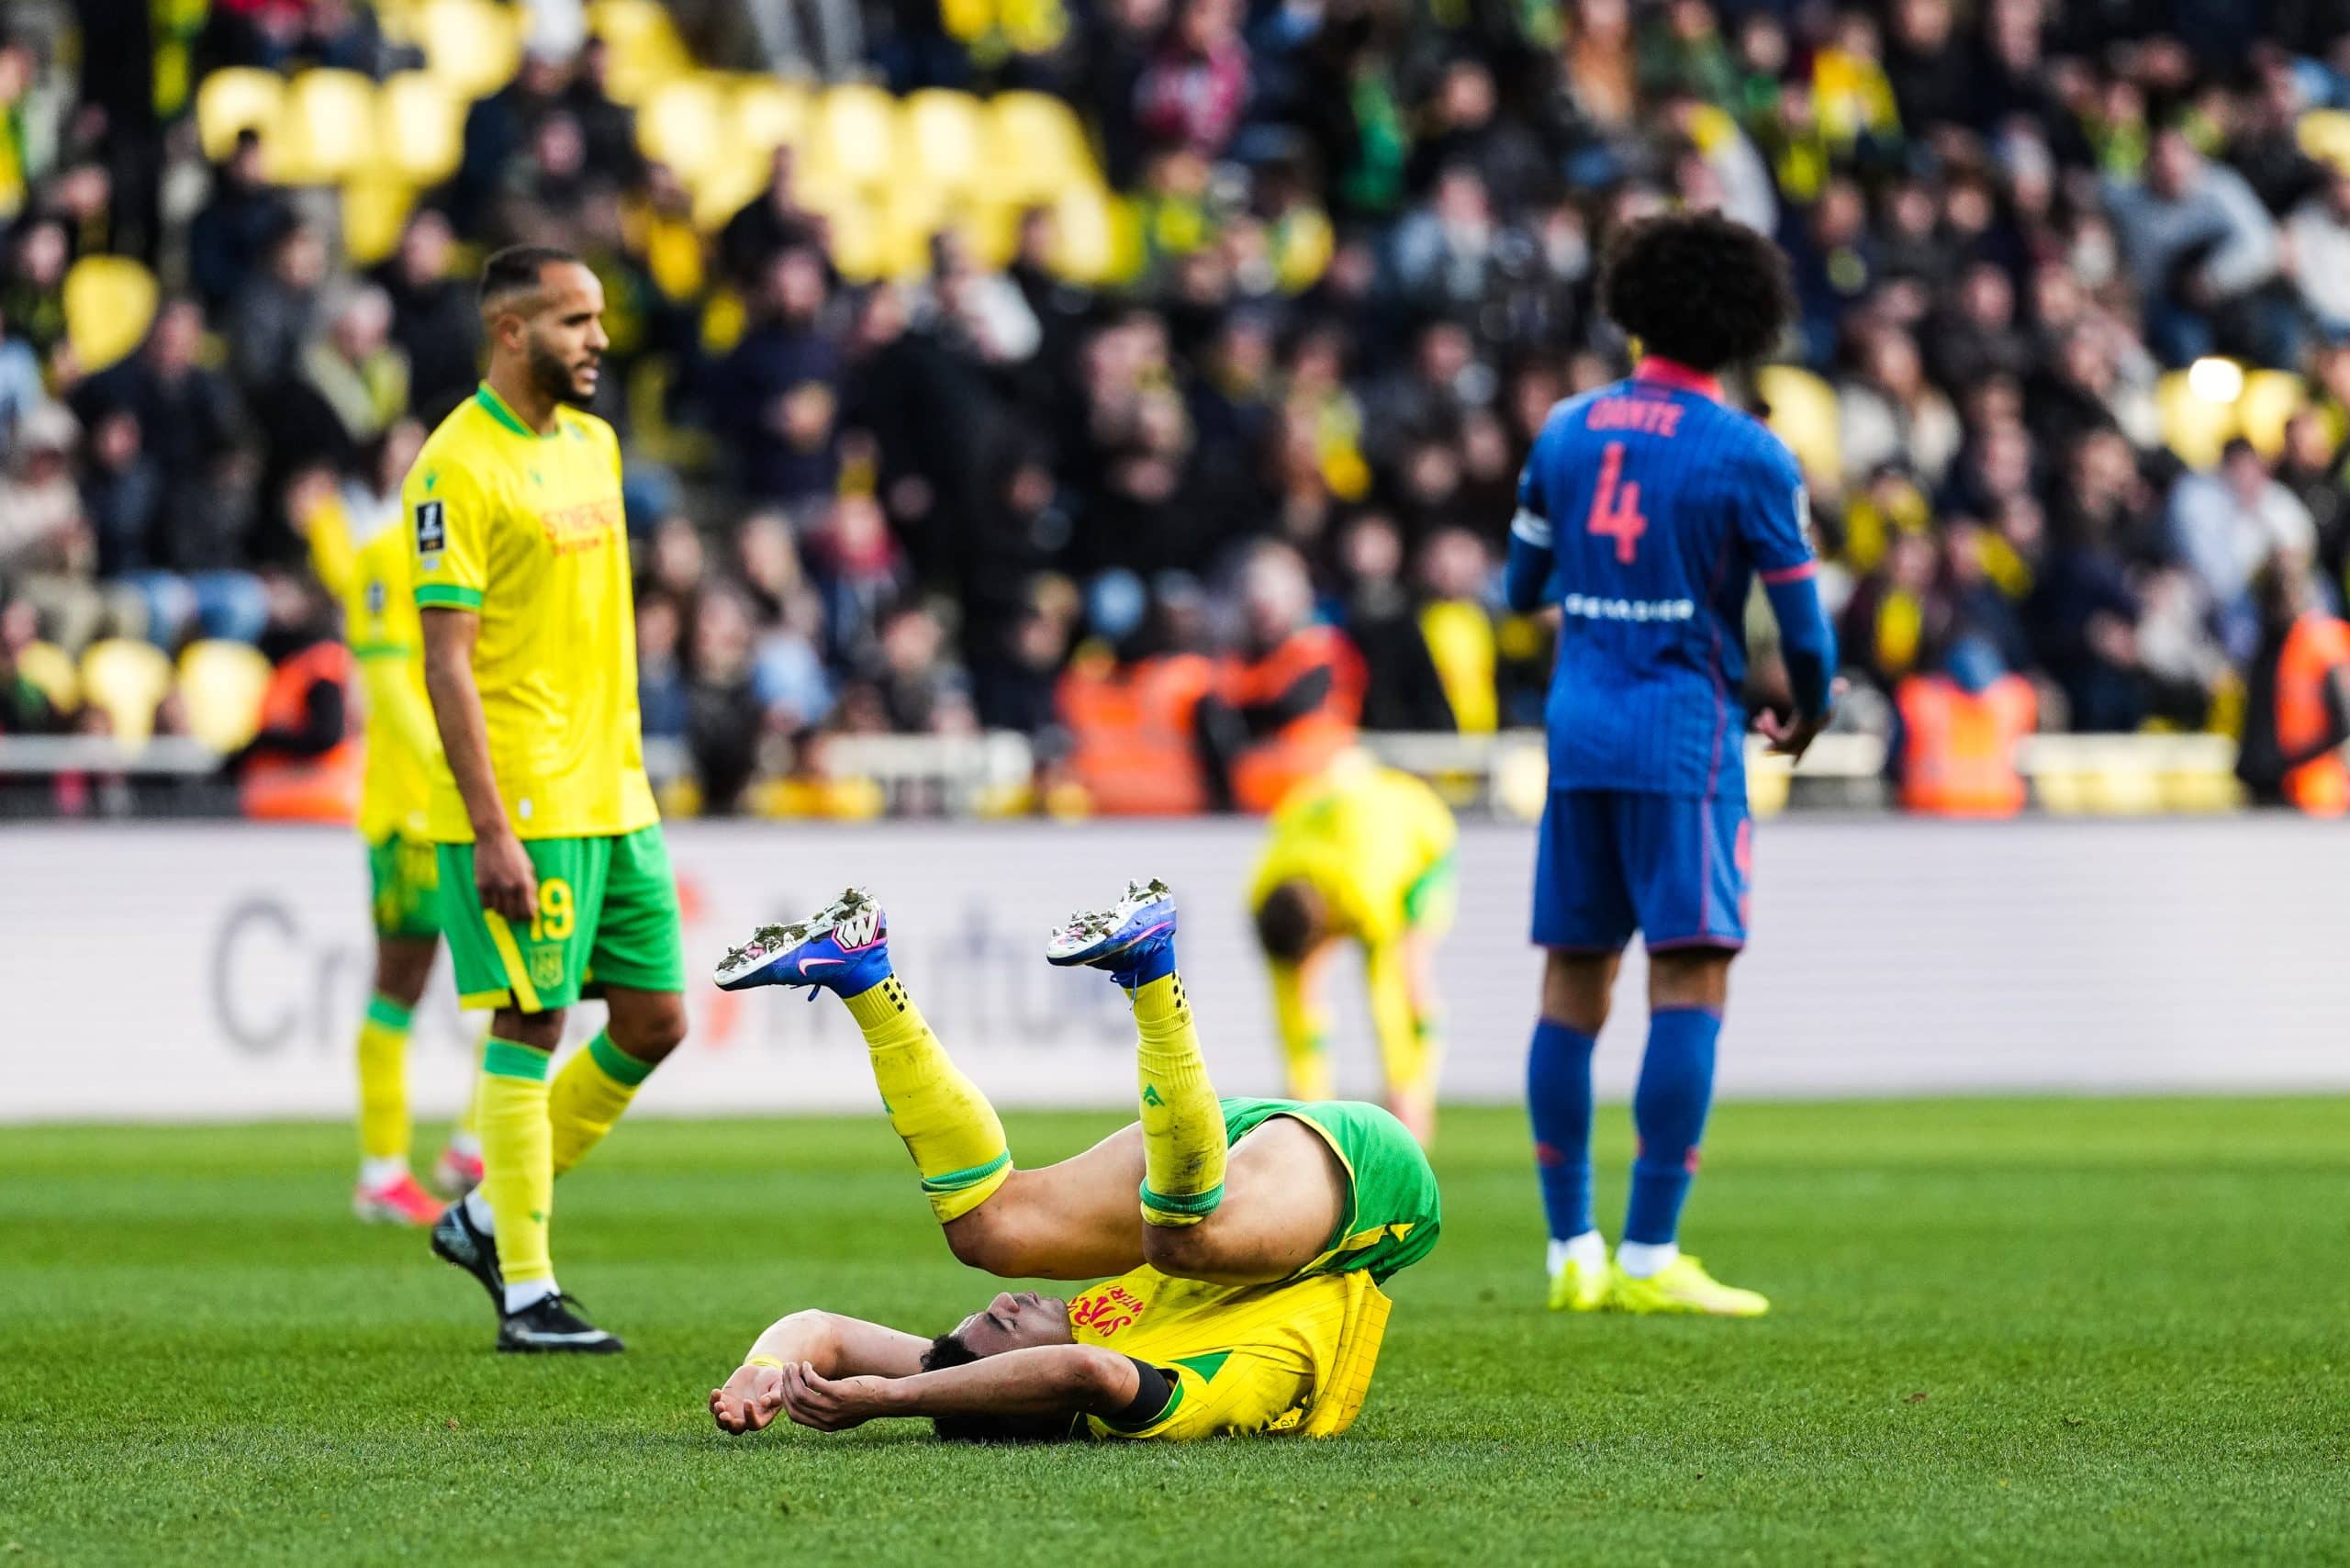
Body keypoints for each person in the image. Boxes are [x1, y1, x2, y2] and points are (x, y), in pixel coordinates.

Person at [707, 879, 1440, 1442]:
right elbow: (1086, 1371)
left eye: (978, 1320)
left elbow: (823, 1331)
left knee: (988, 1230)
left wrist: (762, 1370)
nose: (1001, 1305)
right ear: (1025, 1388)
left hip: (1204, 1163)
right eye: (1000, 1331)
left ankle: (862, 971)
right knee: (1180, 1242)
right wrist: (890, 1400)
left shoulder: (990, 1366)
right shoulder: (1152, 1397)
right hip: (1366, 1199)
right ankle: (1152, 970)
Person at [1504, 213, 1839, 1317]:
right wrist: (1810, 708)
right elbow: (1806, 637)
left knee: (1572, 981)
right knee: (1687, 978)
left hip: (1578, 732)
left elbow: (1519, 586)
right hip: (1684, 741)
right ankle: (1648, 1253)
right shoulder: (1750, 453)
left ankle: (1569, 1249)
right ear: (1745, 322)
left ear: (1631, 307)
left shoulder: (1564, 429)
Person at [408, 245, 688, 1353]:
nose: (599, 341)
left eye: (600, 319)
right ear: (511, 330)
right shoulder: (454, 467)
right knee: (531, 1018)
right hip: (525, 799)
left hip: (617, 788)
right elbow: (445, 661)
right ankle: (526, 1288)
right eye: (576, 321)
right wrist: (491, 828)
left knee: (656, 1019)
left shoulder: (596, 445)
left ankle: (487, 1214)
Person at [294, 425, 484, 1225]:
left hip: (477, 802)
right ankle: (381, 1169)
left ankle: (474, 1143)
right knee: (400, 983)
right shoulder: (383, 556)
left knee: (524, 974)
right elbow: (386, 681)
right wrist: (454, 759)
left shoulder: (469, 553)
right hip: (414, 810)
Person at [1248, 755, 1456, 1145]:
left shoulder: (1367, 894)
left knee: (1410, 975)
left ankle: (1414, 1104)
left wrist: (1402, 1083)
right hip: (1341, 828)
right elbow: (1289, 1000)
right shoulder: (1263, 895)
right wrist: (1306, 1106)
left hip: (1422, 839)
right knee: (1303, 991)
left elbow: (1386, 993)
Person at [2235, 551, 2350, 815]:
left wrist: (2292, 760)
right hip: (2269, 788)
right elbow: (2257, 717)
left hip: (2315, 791)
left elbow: (2344, 723)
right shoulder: (2266, 646)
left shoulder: (2321, 645)